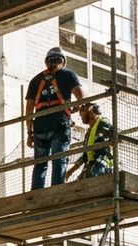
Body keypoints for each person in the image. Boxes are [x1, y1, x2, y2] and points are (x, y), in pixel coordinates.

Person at [25, 47, 84, 190]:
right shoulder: (68, 75)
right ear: (63, 62)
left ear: (47, 62)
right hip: (59, 124)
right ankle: (57, 191)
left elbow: (28, 110)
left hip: (40, 127)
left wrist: (30, 133)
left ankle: (37, 193)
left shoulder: (35, 80)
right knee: (59, 159)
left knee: (40, 163)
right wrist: (78, 106)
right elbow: (82, 97)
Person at [65, 102, 114, 181]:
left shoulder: (102, 123)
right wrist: (70, 171)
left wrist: (89, 107)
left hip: (103, 163)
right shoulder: (88, 133)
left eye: (83, 112)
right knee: (78, 183)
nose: (81, 117)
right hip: (92, 164)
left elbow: (113, 134)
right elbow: (85, 155)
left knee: (90, 174)